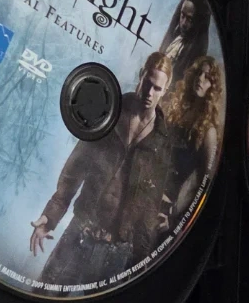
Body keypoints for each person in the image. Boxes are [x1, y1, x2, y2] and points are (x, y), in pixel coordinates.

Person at [30, 52, 178, 288]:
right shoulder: (112, 109)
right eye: (147, 84)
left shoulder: (163, 143)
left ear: (165, 90)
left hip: (114, 252)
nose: (150, 93)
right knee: (44, 294)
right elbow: (76, 166)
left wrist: (141, 261)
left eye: (157, 89)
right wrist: (50, 216)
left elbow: (149, 209)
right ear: (141, 75)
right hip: (80, 230)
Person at [161, 56, 224, 232]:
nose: (200, 79)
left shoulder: (208, 132)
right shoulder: (176, 112)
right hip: (150, 189)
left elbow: (204, 185)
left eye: (207, 78)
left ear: (213, 88)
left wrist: (174, 217)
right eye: (199, 73)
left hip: (168, 209)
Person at [158, 0, 210, 83]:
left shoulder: (195, 59)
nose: (183, 23)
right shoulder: (174, 40)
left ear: (199, 21)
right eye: (182, 15)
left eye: (190, 19)